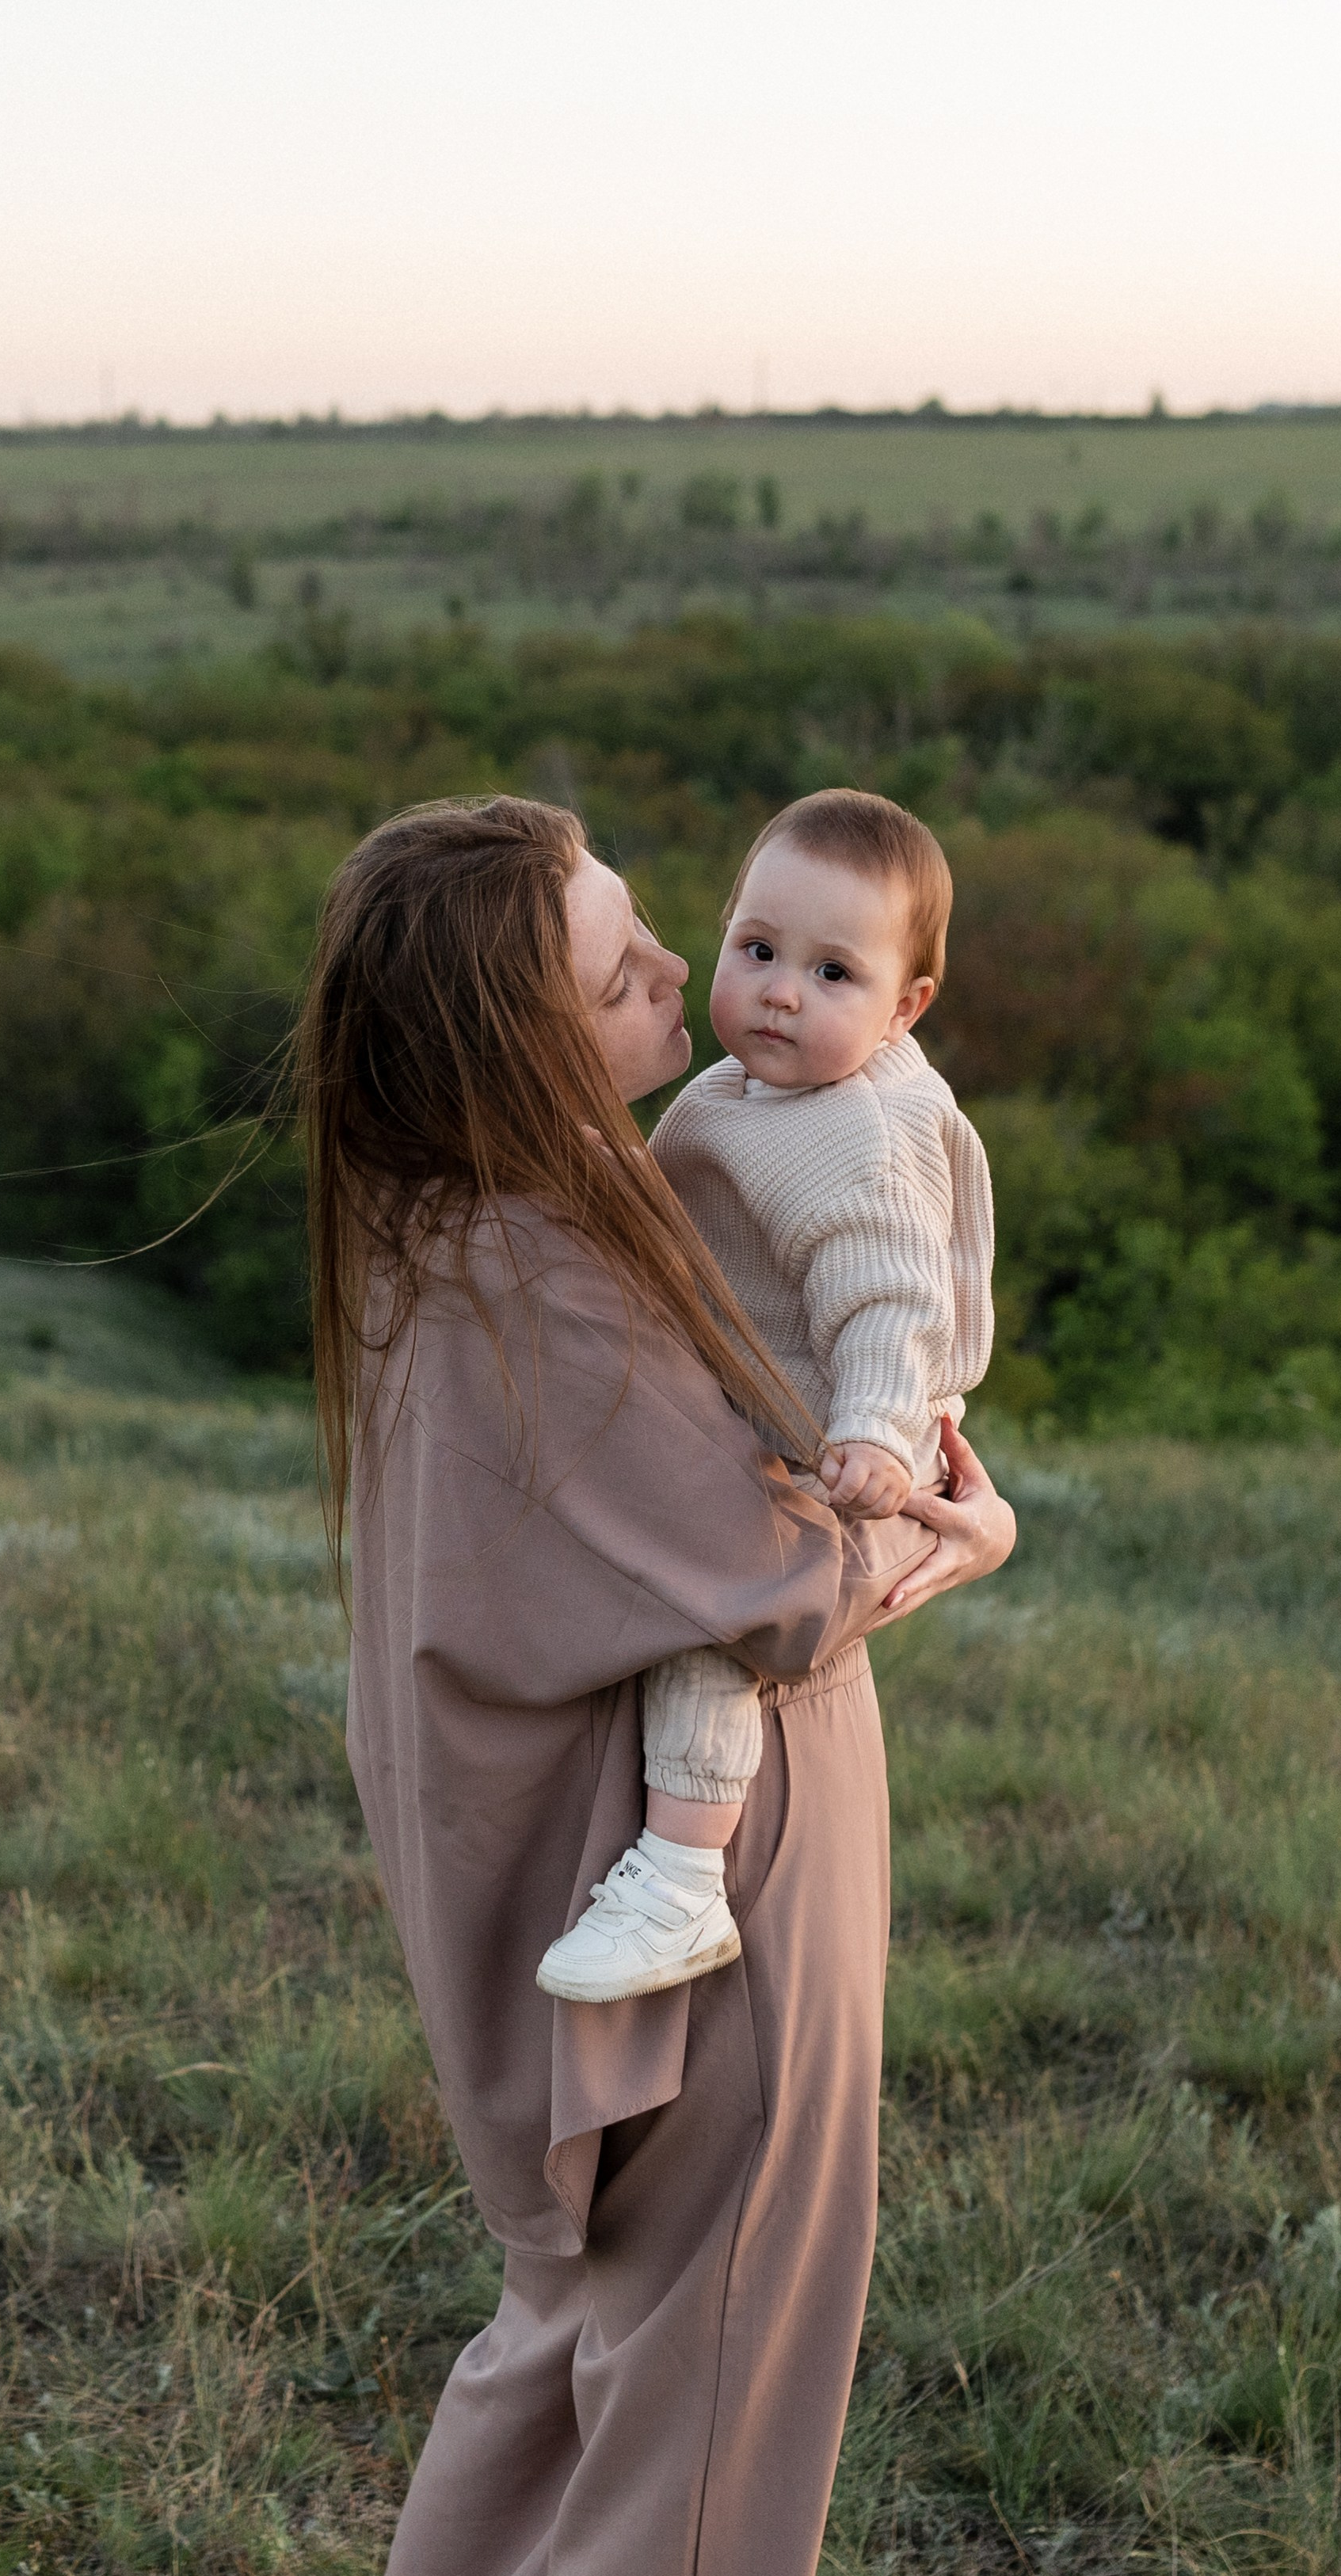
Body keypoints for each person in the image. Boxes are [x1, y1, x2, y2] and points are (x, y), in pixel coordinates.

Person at [296, 793, 1015, 2576]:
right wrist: (963, 1537)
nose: (688, 966)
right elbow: (778, 1583)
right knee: (705, 2420)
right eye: (626, 966)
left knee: (569, 2339)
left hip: (587, 1878)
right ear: (531, 1042)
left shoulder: (440, 1214)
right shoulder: (537, 1280)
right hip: (708, 1921)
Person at [538, 789, 993, 2005]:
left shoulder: (849, 1135)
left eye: (833, 972)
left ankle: (683, 1881)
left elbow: (888, 1301)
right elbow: (677, 1206)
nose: (781, 991)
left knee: (710, 1635)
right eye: (759, 951)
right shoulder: (749, 1091)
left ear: (906, 1009)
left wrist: (876, 1440)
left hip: (822, 1438)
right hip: (768, 1400)